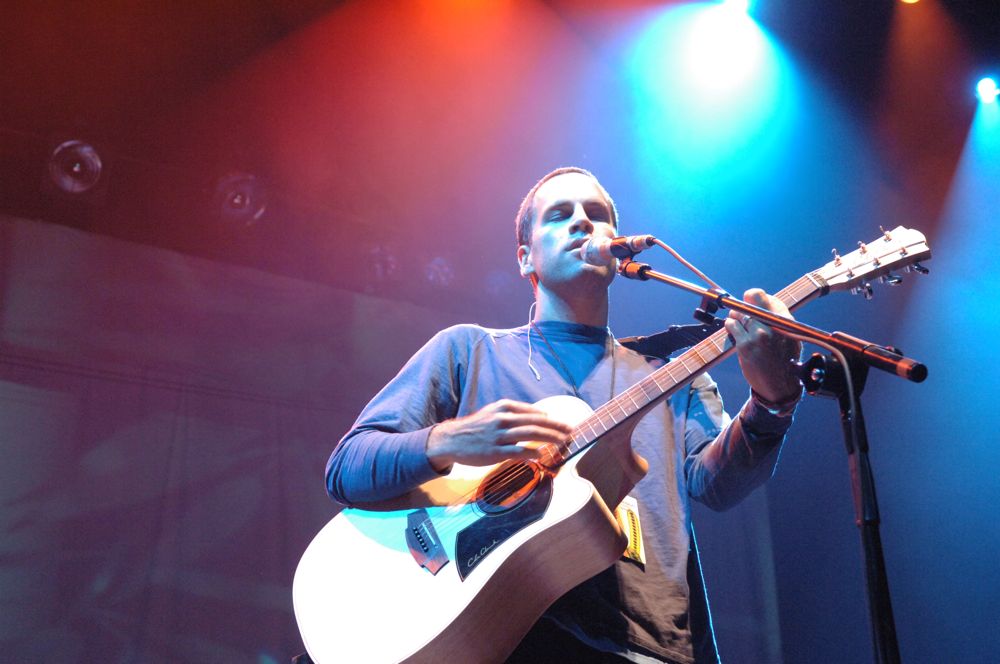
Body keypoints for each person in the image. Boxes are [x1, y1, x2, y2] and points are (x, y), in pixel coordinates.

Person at [325, 167, 803, 663]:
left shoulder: (673, 373)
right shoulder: (470, 352)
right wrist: (449, 440)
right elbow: (347, 469)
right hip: (511, 638)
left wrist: (772, 401)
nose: (581, 222)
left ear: (619, 251)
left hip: (647, 646)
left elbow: (718, 486)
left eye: (596, 214)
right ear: (524, 257)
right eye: (559, 215)